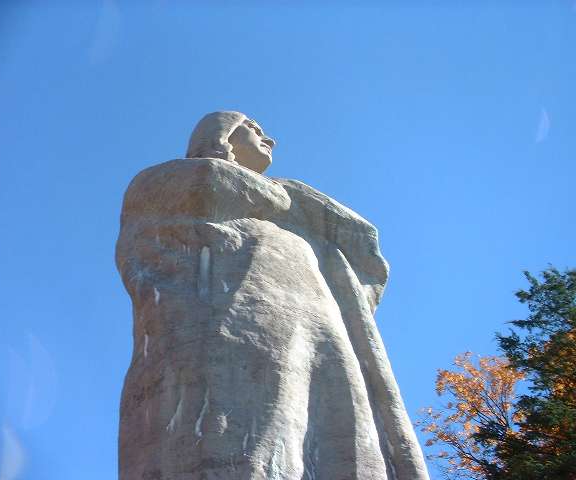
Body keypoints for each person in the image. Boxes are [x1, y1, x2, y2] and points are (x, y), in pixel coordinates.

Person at [116, 112, 429, 480]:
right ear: (223, 133)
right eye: (253, 128)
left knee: (342, 437)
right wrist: (287, 198)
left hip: (320, 334)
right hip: (228, 328)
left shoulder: (298, 210)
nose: (270, 140)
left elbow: (364, 250)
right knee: (243, 441)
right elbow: (207, 183)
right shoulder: (166, 179)